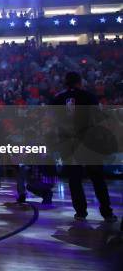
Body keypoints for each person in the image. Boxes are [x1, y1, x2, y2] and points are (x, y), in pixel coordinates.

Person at [52, 71, 117, 223]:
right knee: (97, 179)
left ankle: (81, 212)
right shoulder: (88, 96)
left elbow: (55, 121)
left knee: (74, 179)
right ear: (79, 82)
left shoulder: (58, 99)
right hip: (88, 141)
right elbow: (99, 117)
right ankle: (107, 213)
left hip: (68, 143)